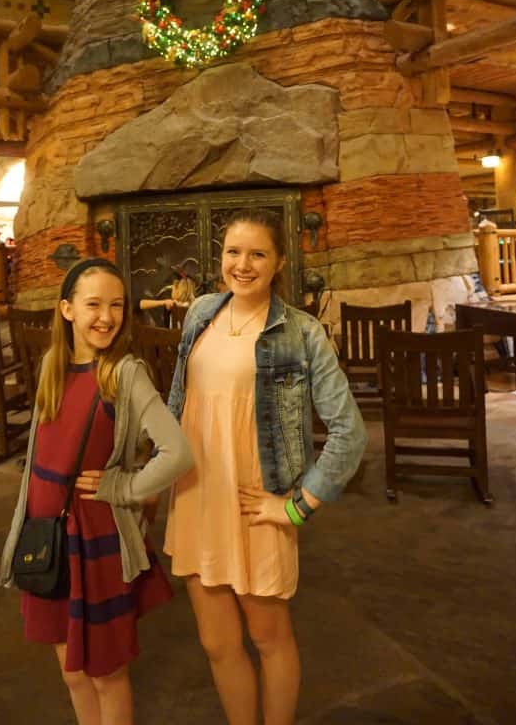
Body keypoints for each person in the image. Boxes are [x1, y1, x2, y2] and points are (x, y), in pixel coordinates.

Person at [165, 209, 367, 725]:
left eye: (258, 254)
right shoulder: (200, 313)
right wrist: (153, 477)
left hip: (257, 505)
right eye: (234, 252)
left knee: (269, 637)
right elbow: (178, 404)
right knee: (216, 643)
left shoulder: (300, 332)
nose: (243, 264)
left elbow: (350, 431)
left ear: (278, 262)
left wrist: (299, 506)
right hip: (194, 499)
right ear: (221, 259)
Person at [0, 257, 194, 725]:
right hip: (46, 535)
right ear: (67, 309)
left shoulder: (124, 373)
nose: (106, 316)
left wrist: (124, 485)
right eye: (93, 304)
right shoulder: (52, 365)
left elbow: (178, 453)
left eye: (116, 306)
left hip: (93, 536)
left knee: (106, 674)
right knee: (71, 672)